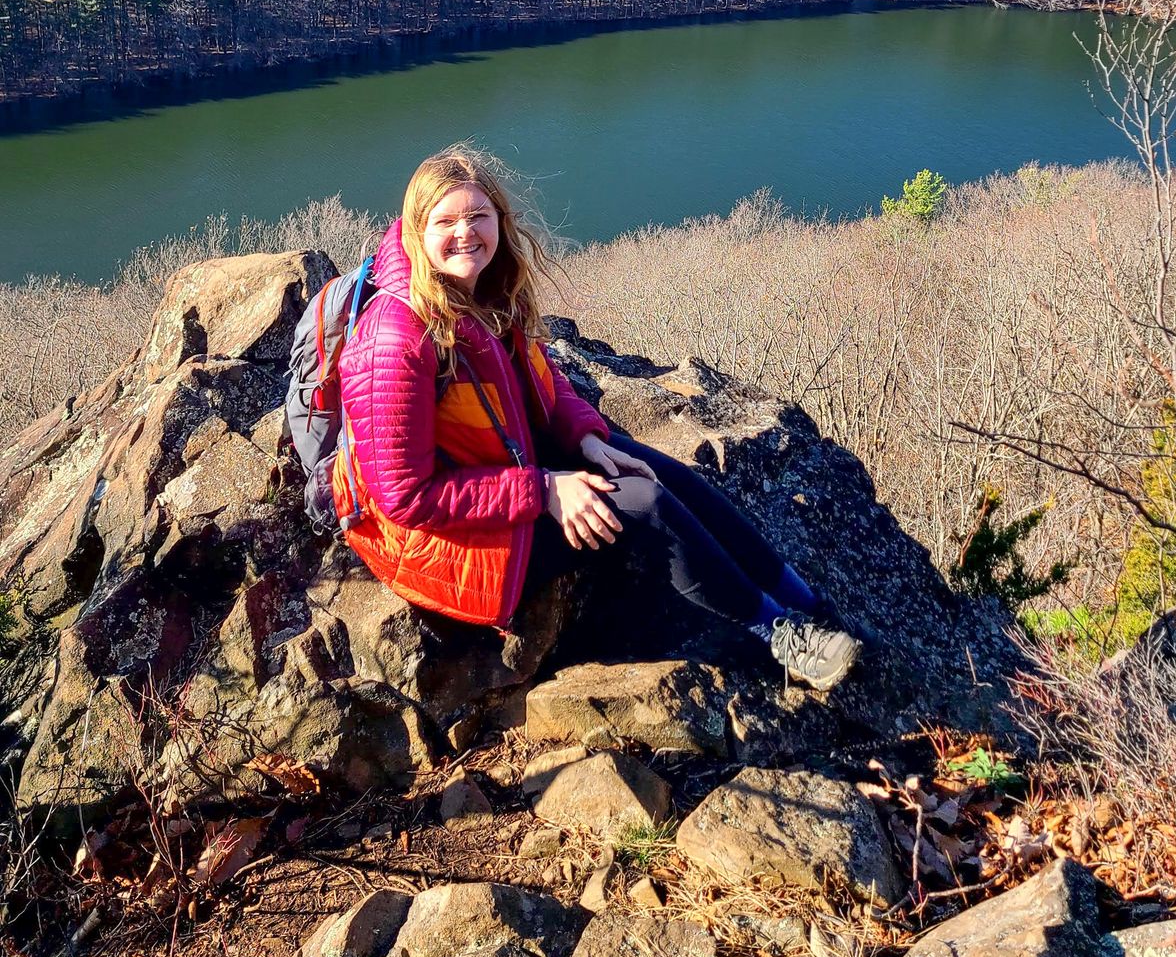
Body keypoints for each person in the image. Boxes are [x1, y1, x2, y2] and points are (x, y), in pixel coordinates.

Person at [336, 144, 860, 691]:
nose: (465, 233)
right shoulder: (396, 338)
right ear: (417, 231)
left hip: (498, 467)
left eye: (478, 216)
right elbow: (405, 496)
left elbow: (540, 384)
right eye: (446, 221)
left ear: (499, 219)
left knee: (658, 471)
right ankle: (776, 633)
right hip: (440, 539)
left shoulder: (485, 293)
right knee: (645, 503)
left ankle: (804, 603)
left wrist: (582, 435)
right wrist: (543, 492)